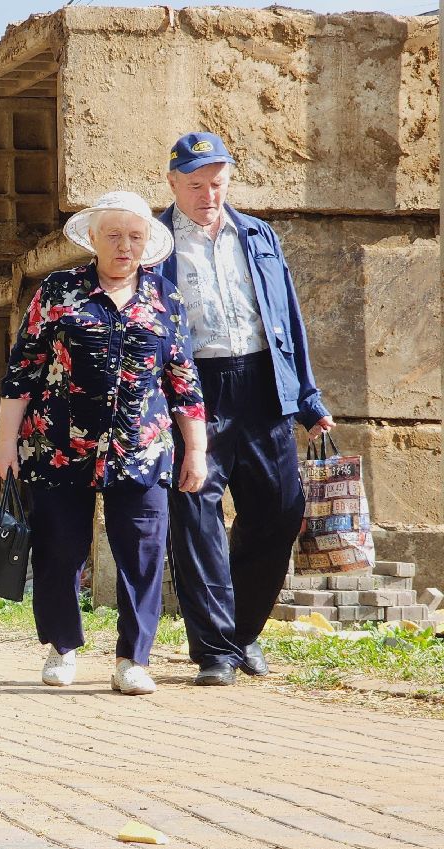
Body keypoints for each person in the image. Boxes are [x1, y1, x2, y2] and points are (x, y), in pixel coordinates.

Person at [0, 190, 207, 696]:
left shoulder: (164, 298)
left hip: (144, 447)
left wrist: (196, 449)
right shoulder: (59, 291)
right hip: (60, 445)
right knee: (58, 550)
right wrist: (5, 444)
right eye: (113, 235)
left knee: (143, 553)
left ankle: (133, 659)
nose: (124, 246)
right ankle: (62, 647)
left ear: (147, 244)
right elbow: (22, 369)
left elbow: (183, 379)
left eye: (134, 237)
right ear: (92, 238)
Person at [156, 133, 334, 686]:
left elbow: (288, 319)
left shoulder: (257, 235)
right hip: (191, 390)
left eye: (216, 183)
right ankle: (214, 650)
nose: (207, 195)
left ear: (228, 180)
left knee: (279, 510)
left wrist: (308, 399)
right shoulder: (155, 243)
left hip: (261, 386)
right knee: (196, 517)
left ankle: (242, 633)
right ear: (173, 184)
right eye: (195, 185)